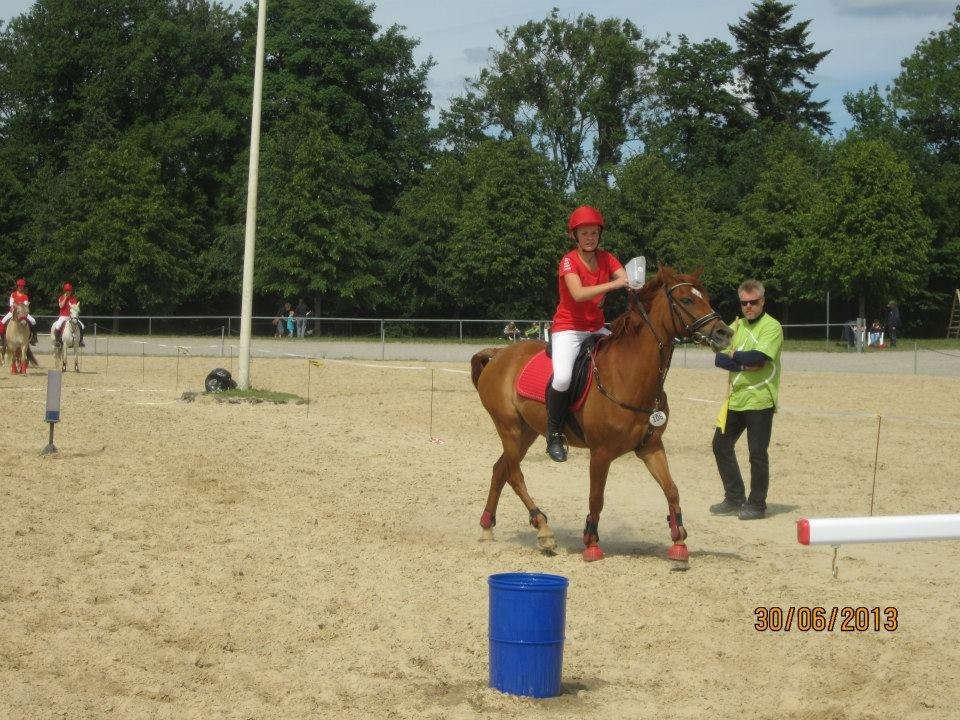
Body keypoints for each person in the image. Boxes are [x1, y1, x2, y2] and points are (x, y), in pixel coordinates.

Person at [545, 205, 628, 462]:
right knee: (562, 378)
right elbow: (579, 294)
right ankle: (554, 434)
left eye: (594, 233)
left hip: (597, 327)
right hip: (569, 329)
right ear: (575, 236)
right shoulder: (568, 261)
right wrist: (615, 284)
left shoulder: (607, 258)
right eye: (584, 233)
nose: (590, 237)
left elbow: (626, 277)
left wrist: (632, 281)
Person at [709, 279, 783, 520]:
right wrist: (742, 362)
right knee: (720, 444)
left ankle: (757, 504)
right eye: (744, 303)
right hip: (736, 399)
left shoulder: (772, 326)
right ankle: (734, 497)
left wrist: (736, 357)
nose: (749, 306)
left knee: (757, 454)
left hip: (760, 399)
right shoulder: (737, 325)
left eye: (753, 302)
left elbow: (760, 357)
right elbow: (719, 358)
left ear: (763, 301)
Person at [1, 278, 38, 345]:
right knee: (3, 321)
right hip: (13, 312)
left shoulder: (25, 296)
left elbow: (25, 305)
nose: (21, 287)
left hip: (23, 313)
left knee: (33, 320)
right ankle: (2, 339)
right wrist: (19, 305)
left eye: (22, 286)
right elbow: (12, 304)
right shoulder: (13, 294)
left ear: (23, 287)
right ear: (17, 286)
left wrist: (18, 305)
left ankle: (34, 337)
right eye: (19, 286)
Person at [52, 282, 85, 347]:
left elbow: (75, 308)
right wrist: (65, 298)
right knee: (57, 326)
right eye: (67, 291)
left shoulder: (73, 299)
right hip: (63, 316)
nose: (68, 292)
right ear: (65, 291)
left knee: (82, 326)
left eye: (69, 291)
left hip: (72, 317)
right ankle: (57, 341)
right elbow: (61, 306)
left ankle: (81, 341)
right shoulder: (61, 297)